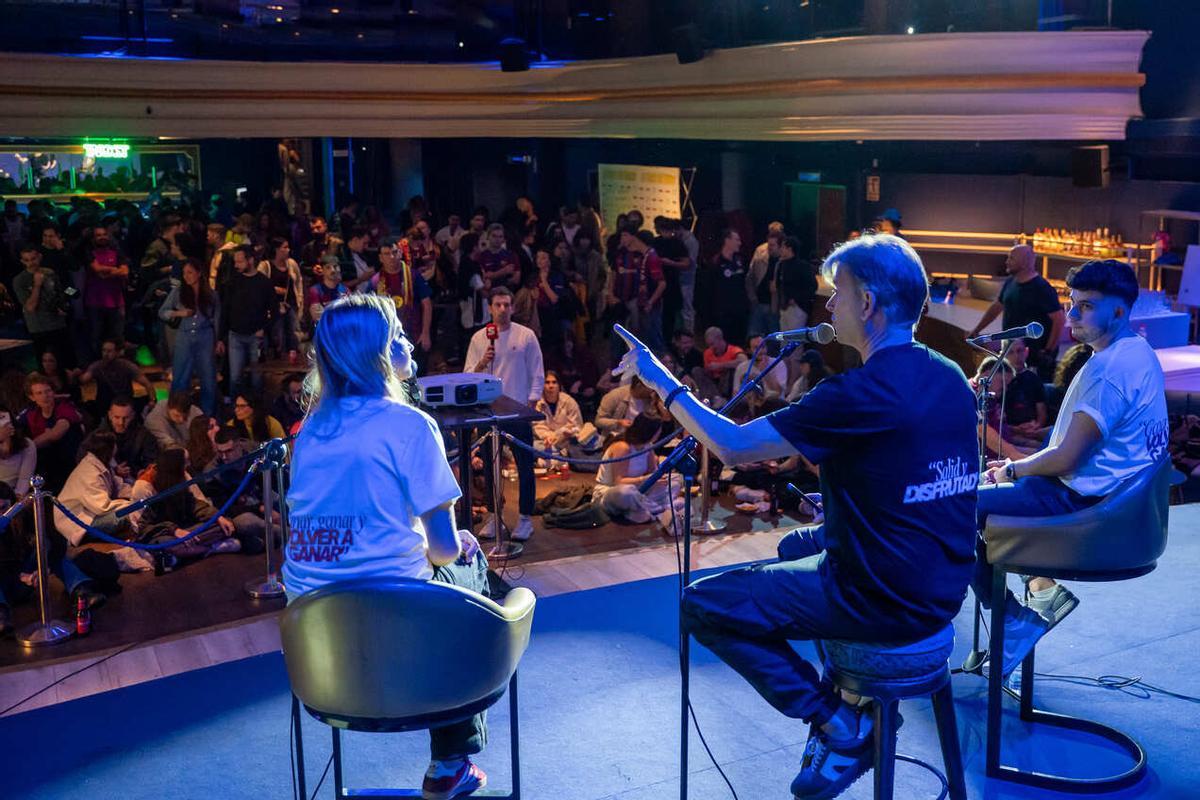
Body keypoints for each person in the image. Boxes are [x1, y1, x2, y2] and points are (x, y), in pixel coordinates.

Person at [611, 233, 978, 798]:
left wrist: (660, 379)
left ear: (868, 304)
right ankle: (850, 700)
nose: (828, 305)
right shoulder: (951, 375)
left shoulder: (857, 392)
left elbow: (732, 446)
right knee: (791, 547)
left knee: (704, 603)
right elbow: (923, 480)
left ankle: (840, 722)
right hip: (944, 585)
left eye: (838, 293)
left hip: (882, 598)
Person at [284, 292, 490, 800]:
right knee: (471, 560)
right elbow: (443, 550)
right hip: (397, 625)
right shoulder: (411, 425)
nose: (408, 342)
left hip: (319, 643)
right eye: (397, 334)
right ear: (374, 353)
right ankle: (451, 760)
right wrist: (456, 543)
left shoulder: (310, 431)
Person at [971, 259, 1168, 677]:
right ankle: (1041, 590)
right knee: (980, 497)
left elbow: (1067, 458)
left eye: (1087, 306)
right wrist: (1020, 467)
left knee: (953, 508)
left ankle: (1014, 619)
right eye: (1072, 302)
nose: (1073, 314)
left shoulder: (1109, 370)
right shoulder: (1136, 351)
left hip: (1082, 502)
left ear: (1119, 310)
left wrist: (1013, 471)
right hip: (1104, 498)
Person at [465, 287, 543, 542]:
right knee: (490, 466)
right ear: (490, 308)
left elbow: (537, 372)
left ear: (513, 307)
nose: (502, 309)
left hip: (517, 410)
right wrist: (482, 362)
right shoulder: (479, 338)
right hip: (488, 411)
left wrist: (531, 404)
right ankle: (493, 516)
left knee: (524, 465)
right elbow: (467, 375)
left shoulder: (526, 335)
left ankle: (525, 518)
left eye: (506, 305)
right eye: (498, 305)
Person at [968, 244, 1065, 380]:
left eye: (1011, 258)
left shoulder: (1042, 288)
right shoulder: (1010, 282)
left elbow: (1059, 320)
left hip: (1034, 358)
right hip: (1012, 352)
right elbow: (997, 306)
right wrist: (977, 330)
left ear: (1024, 262)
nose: (1007, 262)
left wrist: (1048, 351)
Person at [592, 412, 680, 528]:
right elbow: (618, 482)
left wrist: (658, 479)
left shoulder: (647, 446)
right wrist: (644, 479)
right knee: (627, 492)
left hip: (639, 491)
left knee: (675, 480)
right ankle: (660, 509)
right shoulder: (623, 447)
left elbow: (652, 474)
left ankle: (641, 510)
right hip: (612, 493)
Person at [159, 258, 220, 415]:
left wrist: (218, 340)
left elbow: (217, 320)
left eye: (190, 272)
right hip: (185, 336)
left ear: (199, 273)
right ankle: (177, 412)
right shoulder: (178, 292)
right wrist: (179, 313)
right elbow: (162, 312)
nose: (186, 276)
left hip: (205, 336)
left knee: (208, 377)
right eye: (184, 273)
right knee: (180, 376)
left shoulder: (211, 294)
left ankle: (207, 415)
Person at [218, 245, 274, 395]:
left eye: (240, 261)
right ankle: (236, 406)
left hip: (256, 336)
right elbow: (225, 310)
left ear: (250, 260)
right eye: (235, 262)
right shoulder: (232, 282)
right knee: (235, 377)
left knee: (256, 378)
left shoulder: (264, 283)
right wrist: (221, 337)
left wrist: (264, 329)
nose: (236, 265)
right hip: (235, 335)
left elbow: (274, 311)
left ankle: (255, 405)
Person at [371, 236, 433, 371]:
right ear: (380, 258)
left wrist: (425, 333)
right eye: (387, 254)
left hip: (415, 334)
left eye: (394, 252)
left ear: (400, 253)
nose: (392, 257)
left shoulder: (413, 276)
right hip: (388, 339)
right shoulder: (375, 281)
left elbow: (427, 304)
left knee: (418, 375)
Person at [19, 372, 84, 492]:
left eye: (48, 391)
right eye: (39, 393)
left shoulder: (65, 407)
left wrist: (30, 446)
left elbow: (56, 433)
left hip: (70, 463)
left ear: (53, 392)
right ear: (32, 397)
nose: (45, 396)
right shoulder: (30, 413)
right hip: (45, 465)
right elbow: (15, 429)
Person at [14, 244, 74, 368]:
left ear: (39, 257)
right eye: (27, 260)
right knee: (46, 364)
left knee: (67, 361)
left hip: (58, 323)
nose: (31, 263)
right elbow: (30, 307)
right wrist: (37, 285)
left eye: (33, 258)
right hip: (39, 327)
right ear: (22, 261)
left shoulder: (50, 272)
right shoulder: (19, 280)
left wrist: (64, 305)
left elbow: (60, 292)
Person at [86, 396, 159, 478]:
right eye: (117, 417)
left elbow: (151, 461)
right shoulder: (97, 436)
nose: (121, 422)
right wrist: (112, 469)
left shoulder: (144, 435)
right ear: (110, 415)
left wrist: (141, 472)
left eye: (126, 418)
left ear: (133, 415)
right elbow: (86, 461)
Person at [259, 237, 304, 364]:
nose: (288, 250)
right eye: (285, 247)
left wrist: (300, 300)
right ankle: (279, 364)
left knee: (294, 335)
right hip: (274, 307)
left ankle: (294, 362)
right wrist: (274, 289)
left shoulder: (291, 264)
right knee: (278, 336)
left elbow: (298, 282)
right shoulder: (265, 266)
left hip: (290, 304)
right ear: (276, 250)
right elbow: (259, 285)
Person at [532, 371, 582, 461]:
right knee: (532, 446)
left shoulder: (569, 401)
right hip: (546, 441)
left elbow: (576, 425)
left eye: (554, 382)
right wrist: (550, 437)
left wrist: (561, 434)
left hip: (566, 441)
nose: (551, 386)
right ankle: (558, 456)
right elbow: (538, 426)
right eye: (547, 382)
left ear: (559, 385)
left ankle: (555, 456)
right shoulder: (537, 404)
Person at [307, 253, 350, 326]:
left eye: (335, 267)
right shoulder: (315, 291)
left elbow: (349, 314)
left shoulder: (345, 290)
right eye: (328, 267)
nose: (333, 270)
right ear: (322, 270)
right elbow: (318, 317)